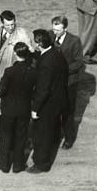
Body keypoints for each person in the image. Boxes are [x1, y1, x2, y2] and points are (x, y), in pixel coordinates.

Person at [0, 10, 32, 136]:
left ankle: (4, 130)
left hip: (9, 72)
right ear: (2, 23)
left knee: (4, 102)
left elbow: (29, 52)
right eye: (8, 25)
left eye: (13, 24)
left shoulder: (21, 34)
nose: (11, 27)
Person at [28, 29, 68, 173]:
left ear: (39, 44)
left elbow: (43, 89)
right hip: (58, 100)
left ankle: (41, 164)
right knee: (52, 130)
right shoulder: (56, 54)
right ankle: (47, 155)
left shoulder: (45, 64)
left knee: (41, 134)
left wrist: (35, 109)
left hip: (47, 104)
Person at [0, 42, 36, 173]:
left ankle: (4, 164)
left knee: (6, 135)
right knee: (21, 136)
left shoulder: (9, 71)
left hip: (9, 109)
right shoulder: (33, 72)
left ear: (15, 54)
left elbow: (0, 90)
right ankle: (18, 165)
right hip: (24, 108)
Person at [50, 16, 84, 149]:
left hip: (69, 83)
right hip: (54, 82)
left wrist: (62, 70)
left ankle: (69, 138)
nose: (55, 33)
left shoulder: (74, 41)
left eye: (58, 30)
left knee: (68, 112)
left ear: (65, 28)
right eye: (54, 29)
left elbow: (78, 62)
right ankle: (55, 135)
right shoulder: (50, 35)